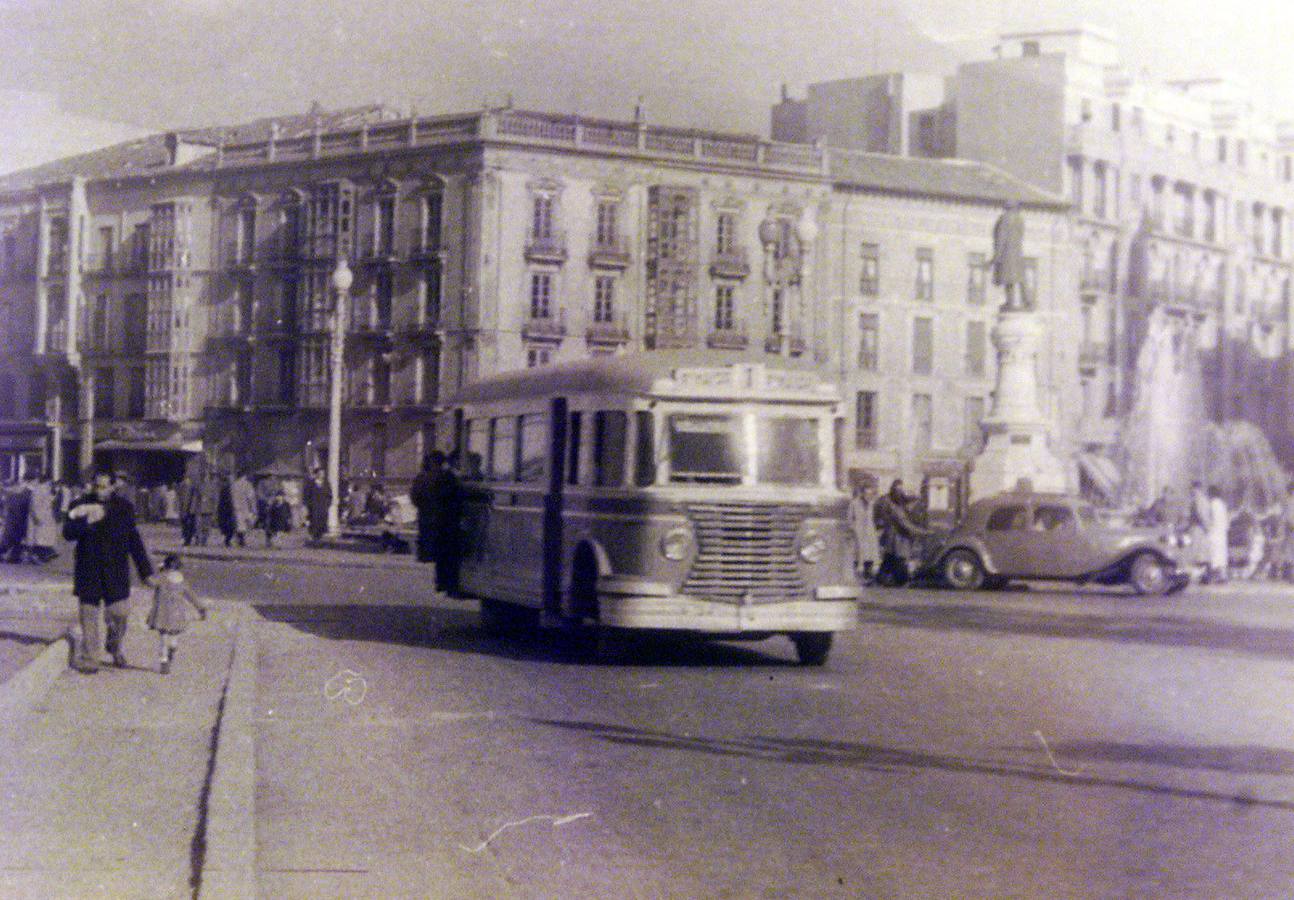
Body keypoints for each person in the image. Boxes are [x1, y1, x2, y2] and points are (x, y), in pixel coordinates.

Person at [63, 470, 155, 673]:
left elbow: (134, 541)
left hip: (115, 571)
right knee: (88, 614)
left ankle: (114, 645)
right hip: (89, 570)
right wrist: (86, 522)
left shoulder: (124, 508)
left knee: (120, 613)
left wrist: (146, 572)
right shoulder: (79, 505)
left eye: (104, 486)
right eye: (97, 486)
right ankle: (90, 658)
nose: (99, 490)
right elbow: (68, 533)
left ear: (113, 487)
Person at [409, 450, 464, 595]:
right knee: (447, 552)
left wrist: (424, 508)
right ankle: (447, 583)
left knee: (439, 553)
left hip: (429, 520)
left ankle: (441, 582)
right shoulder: (449, 477)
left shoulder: (422, 478)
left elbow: (414, 498)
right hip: (447, 521)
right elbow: (456, 497)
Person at [146, 554, 208, 674]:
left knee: (163, 636)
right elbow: (191, 596)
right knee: (174, 634)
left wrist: (158, 571)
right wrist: (201, 609)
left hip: (162, 611)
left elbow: (150, 582)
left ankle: (164, 660)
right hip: (177, 612)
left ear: (166, 565)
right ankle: (173, 647)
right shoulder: (182, 580)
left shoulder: (161, 577)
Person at [873, 479, 927, 587]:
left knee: (890, 558)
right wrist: (922, 532)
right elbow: (903, 523)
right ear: (894, 490)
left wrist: (917, 497)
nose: (901, 493)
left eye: (901, 490)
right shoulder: (893, 505)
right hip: (897, 536)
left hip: (895, 536)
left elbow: (907, 500)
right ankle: (901, 580)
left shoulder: (896, 502)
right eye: (898, 490)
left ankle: (882, 579)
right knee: (898, 558)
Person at [847, 481, 881, 585]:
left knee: (870, 554)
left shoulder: (872, 504)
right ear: (862, 493)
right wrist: (854, 528)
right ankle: (857, 576)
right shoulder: (854, 503)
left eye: (870, 494)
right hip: (859, 532)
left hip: (870, 531)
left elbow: (876, 517)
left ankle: (868, 576)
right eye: (866, 493)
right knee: (858, 553)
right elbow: (849, 518)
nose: (868, 496)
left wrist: (877, 529)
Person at [25, 473, 60, 564]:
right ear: (47, 481)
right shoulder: (39, 489)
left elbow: (48, 502)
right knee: (38, 538)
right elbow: (34, 504)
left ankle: (46, 554)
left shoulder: (46, 489)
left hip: (45, 516)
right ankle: (40, 555)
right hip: (39, 517)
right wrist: (38, 517)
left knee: (44, 537)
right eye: (50, 482)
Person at [1206, 486, 1230, 584]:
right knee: (1221, 554)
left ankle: (1212, 576)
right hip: (1222, 533)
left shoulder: (1212, 504)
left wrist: (1209, 529)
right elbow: (1226, 520)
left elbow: (1211, 519)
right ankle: (1223, 576)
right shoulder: (1222, 504)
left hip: (1214, 532)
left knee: (1213, 554)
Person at [230, 472, 258, 548]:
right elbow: (251, 498)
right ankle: (243, 541)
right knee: (248, 524)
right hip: (245, 507)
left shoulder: (234, 485)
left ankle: (240, 540)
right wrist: (254, 509)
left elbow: (232, 497)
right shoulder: (247, 485)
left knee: (240, 525)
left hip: (236, 507)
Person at [303, 469, 332, 542]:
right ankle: (314, 537)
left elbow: (330, 495)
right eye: (320, 473)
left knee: (322, 522)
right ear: (316, 474)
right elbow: (306, 495)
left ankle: (320, 537)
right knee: (314, 521)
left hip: (323, 507)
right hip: (313, 507)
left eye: (323, 473)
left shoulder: (326, 484)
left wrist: (328, 504)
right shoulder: (311, 484)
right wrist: (308, 505)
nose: (321, 475)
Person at [176, 473, 199, 546]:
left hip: (188, 510)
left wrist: (184, 511)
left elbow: (186, 499)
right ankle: (191, 540)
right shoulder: (188, 484)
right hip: (190, 509)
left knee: (187, 525)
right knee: (189, 525)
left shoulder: (187, 485)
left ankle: (188, 540)